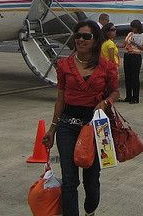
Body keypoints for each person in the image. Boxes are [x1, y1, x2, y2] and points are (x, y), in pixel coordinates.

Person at [42, 20, 119, 216]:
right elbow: (60, 99)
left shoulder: (106, 66)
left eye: (86, 36)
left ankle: (90, 210)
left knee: (92, 179)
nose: (81, 40)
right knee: (69, 180)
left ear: (95, 40)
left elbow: (115, 92)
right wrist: (52, 130)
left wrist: (106, 102)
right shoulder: (64, 65)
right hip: (67, 126)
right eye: (78, 36)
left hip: (95, 127)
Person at [123, 19, 143, 104]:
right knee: (127, 77)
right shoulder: (130, 34)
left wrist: (135, 43)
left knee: (134, 77)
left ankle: (135, 97)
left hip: (135, 56)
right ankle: (128, 96)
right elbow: (125, 43)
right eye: (132, 27)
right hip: (127, 55)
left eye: (134, 28)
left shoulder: (142, 36)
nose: (133, 29)